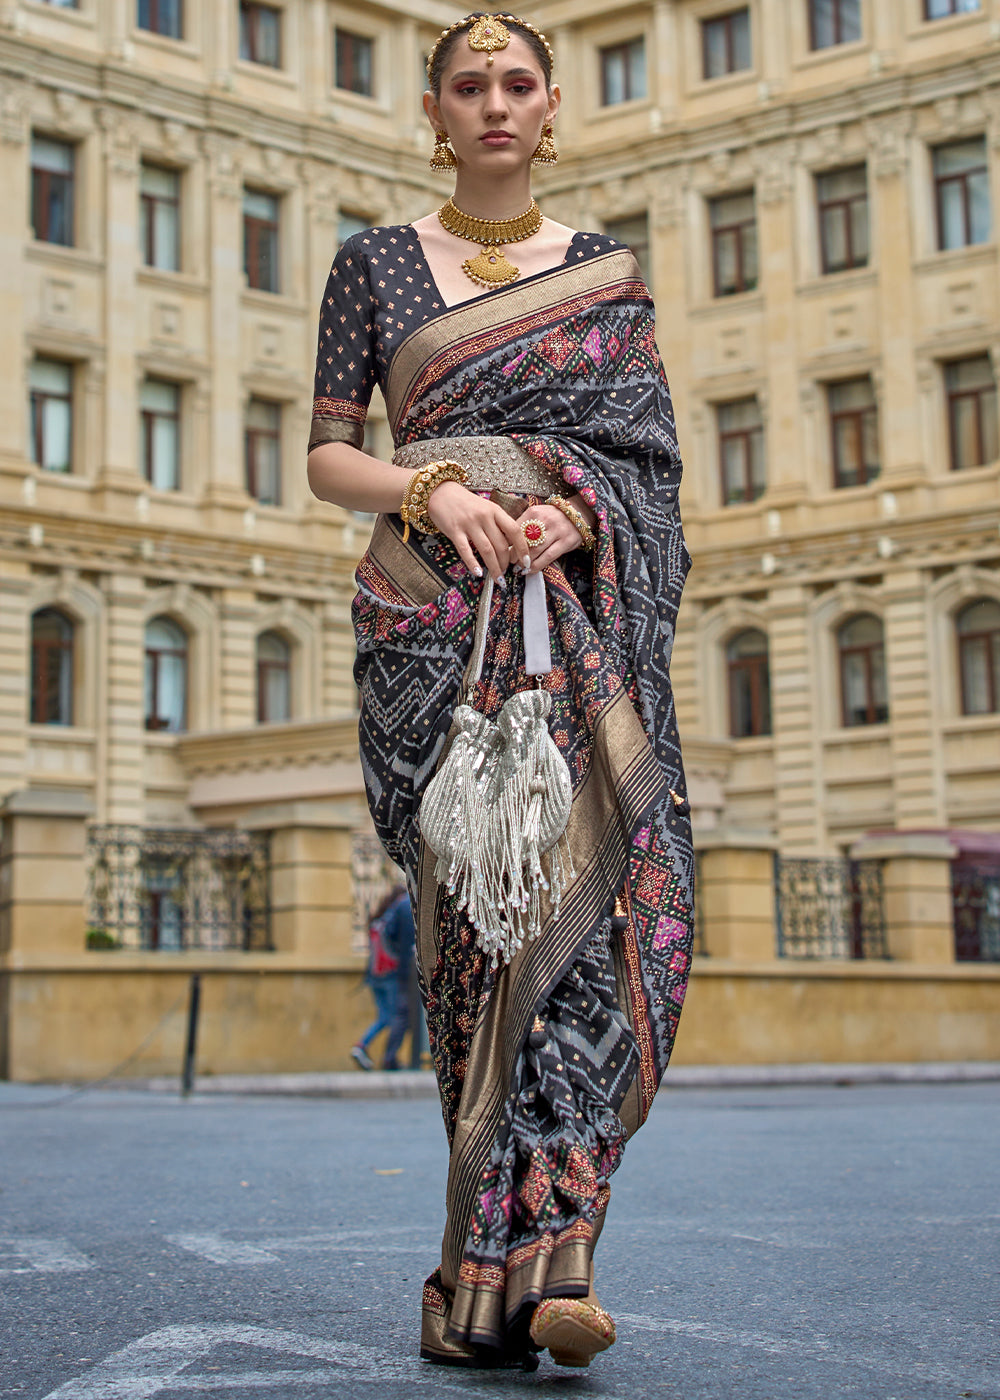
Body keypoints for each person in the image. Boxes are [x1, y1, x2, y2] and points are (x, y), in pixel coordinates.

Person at [308, 11, 694, 1372]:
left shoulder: (604, 274)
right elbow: (327, 456)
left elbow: (645, 464)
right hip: (430, 629)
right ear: (434, 109)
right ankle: (476, 1286)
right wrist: (432, 484)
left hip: (571, 627)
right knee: (477, 947)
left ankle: (560, 1264)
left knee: (591, 935)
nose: (492, 103)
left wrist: (578, 516)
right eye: (466, 84)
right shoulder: (371, 266)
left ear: (549, 109)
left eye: (516, 82)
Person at [350, 885, 405, 1071]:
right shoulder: (395, 916)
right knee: (392, 1017)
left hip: (373, 977)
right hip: (390, 975)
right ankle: (365, 1047)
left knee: (385, 1016)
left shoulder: (378, 920)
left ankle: (365, 1048)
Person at [380, 888, 416, 1071]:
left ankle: (390, 1057)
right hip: (431, 969)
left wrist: (399, 954)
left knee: (402, 1014)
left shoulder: (402, 904)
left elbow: (386, 932)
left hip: (406, 968)